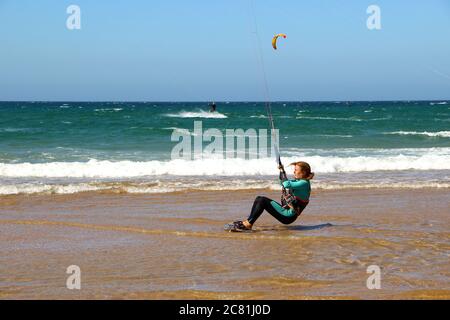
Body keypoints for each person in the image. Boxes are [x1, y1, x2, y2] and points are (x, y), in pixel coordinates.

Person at [230, 161, 314, 231]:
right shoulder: (300, 181)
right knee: (259, 198)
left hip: (288, 215)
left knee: (262, 201)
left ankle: (248, 224)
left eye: (296, 170)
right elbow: (282, 182)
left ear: (303, 172)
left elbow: (286, 184)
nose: (294, 172)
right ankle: (248, 222)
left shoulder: (304, 183)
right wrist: (281, 171)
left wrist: (282, 170)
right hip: (285, 210)